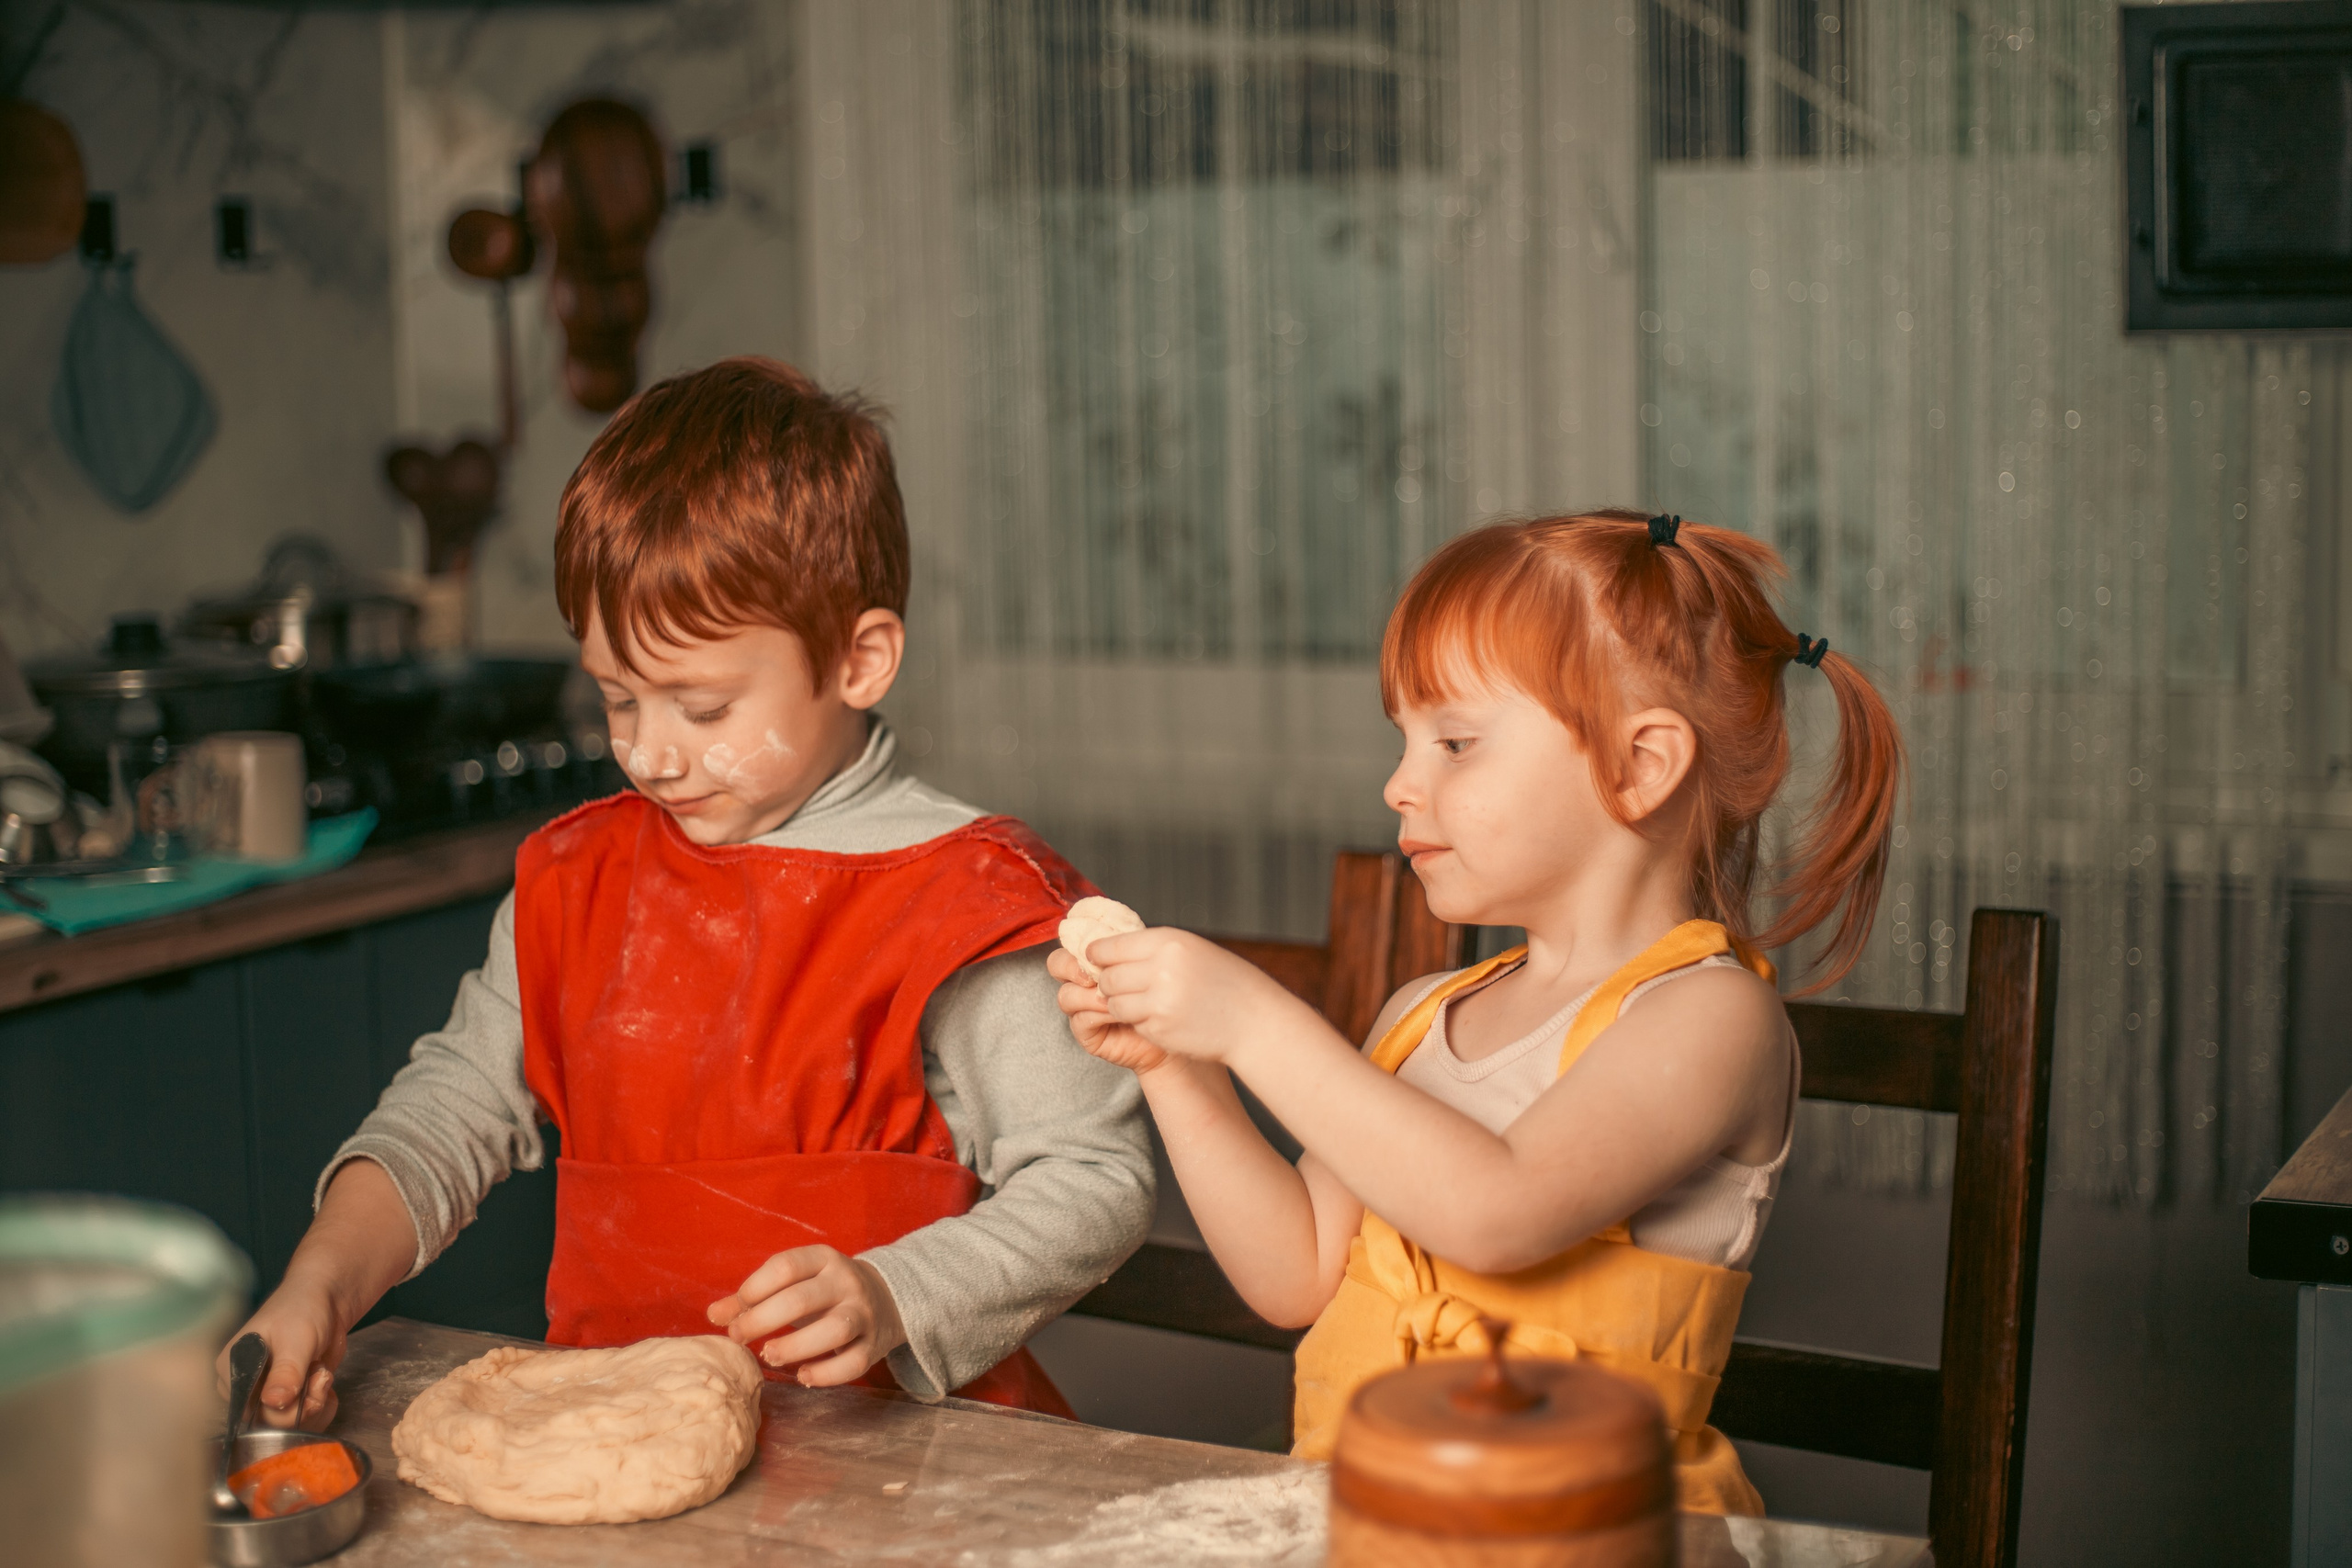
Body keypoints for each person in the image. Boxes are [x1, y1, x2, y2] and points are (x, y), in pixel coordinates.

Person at [226, 356, 1153, 1427]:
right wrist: (320, 1285)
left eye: (701, 707)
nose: (650, 755)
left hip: (908, 1463)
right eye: (618, 697)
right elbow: (452, 1112)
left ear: (860, 660)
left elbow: (1095, 1182)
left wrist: (898, 1294)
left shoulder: (965, 901)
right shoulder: (578, 883)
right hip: (615, 1431)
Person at [1051, 511, 1902, 1513]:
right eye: (1405, 742)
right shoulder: (1418, 1013)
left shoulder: (1710, 1019)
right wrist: (1175, 1067)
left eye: (1454, 742)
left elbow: (1497, 1215)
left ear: (1638, 767)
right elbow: (1293, 1276)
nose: (1400, 784)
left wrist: (1252, 1022)